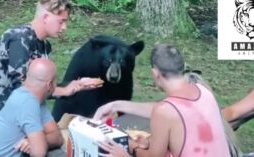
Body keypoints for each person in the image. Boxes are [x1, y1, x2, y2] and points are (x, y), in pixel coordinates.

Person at [0, 0, 98, 156]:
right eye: (61, 21)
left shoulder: (43, 46)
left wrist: (74, 85)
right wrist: (65, 91)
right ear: (46, 17)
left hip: (13, 118)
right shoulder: (18, 39)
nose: (64, 27)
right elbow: (24, 87)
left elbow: (41, 84)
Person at [94, 44, 233, 157]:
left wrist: (130, 149)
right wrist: (116, 105)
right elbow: (171, 111)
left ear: (155, 73)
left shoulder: (165, 111)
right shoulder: (203, 90)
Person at [0, 58, 62, 157]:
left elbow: (57, 137)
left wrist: (32, 141)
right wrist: (37, 143)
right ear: (49, 84)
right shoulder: (27, 103)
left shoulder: (34, 99)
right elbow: (39, 153)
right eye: (56, 81)